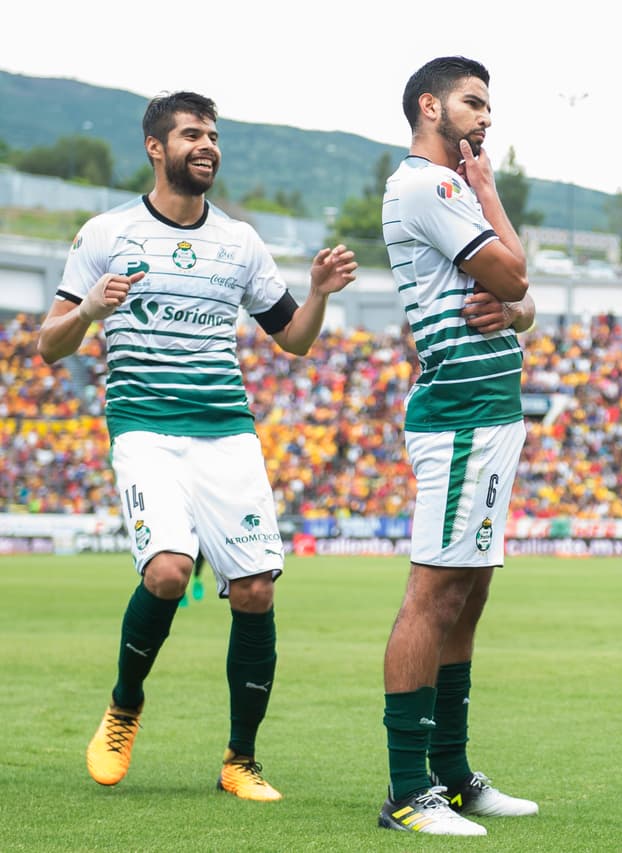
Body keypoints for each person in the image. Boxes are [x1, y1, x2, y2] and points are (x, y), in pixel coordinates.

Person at [36, 91, 357, 801]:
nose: (206, 145)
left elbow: (295, 340)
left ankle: (240, 759)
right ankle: (124, 706)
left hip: (225, 432)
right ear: (156, 148)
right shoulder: (106, 234)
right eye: (191, 134)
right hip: (145, 427)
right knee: (169, 573)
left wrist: (319, 293)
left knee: (253, 589)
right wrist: (89, 309)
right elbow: (48, 346)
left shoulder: (239, 242)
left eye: (212, 135)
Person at [376, 56, 538, 837]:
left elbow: (521, 302)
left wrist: (516, 307)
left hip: (492, 411)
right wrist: (490, 198)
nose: (485, 117)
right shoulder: (427, 185)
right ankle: (408, 789)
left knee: (467, 597)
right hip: (461, 413)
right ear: (429, 106)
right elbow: (514, 275)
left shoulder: (450, 191)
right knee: (433, 594)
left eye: (489, 106)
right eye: (473, 103)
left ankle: (451, 775)